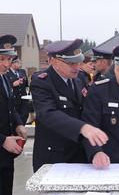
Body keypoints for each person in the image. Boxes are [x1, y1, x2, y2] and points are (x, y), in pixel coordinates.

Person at [30, 39, 108, 172]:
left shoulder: (78, 80)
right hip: (54, 157)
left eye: (79, 62)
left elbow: (86, 114)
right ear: (54, 61)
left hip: (77, 155)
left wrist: (95, 151)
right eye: (71, 63)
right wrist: (82, 127)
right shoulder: (42, 82)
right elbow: (48, 114)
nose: (77, 67)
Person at [0, 34, 27, 195]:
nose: (6, 64)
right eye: (1, 59)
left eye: (9, 59)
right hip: (3, 143)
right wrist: (2, 140)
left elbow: (10, 106)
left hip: (5, 153)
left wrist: (18, 124)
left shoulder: (5, 79)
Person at [6, 56, 29, 124]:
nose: (20, 64)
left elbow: (27, 85)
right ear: (13, 63)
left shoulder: (22, 71)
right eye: (18, 62)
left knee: (25, 115)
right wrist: (13, 84)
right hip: (14, 101)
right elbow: (4, 86)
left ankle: (21, 129)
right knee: (15, 119)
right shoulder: (7, 73)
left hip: (24, 99)